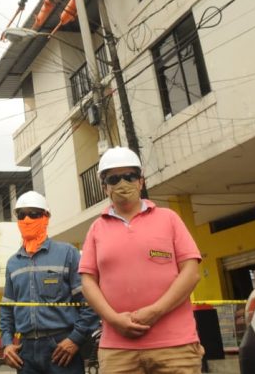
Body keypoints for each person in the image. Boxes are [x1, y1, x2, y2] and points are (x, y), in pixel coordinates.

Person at [78, 146, 203, 373]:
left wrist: (155, 311)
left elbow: (191, 272)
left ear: (141, 182)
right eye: (114, 179)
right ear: (104, 187)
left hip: (176, 347)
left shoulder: (169, 219)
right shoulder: (96, 229)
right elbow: (87, 283)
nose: (122, 184)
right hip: (117, 351)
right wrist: (114, 320)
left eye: (129, 176)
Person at [0, 191, 99, 374]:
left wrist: (75, 339)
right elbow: (6, 310)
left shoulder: (67, 254)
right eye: (21, 215)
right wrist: (6, 344)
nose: (27, 219)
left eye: (34, 214)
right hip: (25, 351)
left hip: (61, 347)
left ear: (46, 217)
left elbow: (90, 302)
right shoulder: (13, 263)